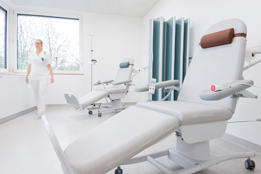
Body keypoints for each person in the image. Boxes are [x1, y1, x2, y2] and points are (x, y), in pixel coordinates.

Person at [25, 39, 54, 118]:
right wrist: (27, 76)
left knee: (41, 93)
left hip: (44, 75)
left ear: (41, 44)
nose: (36, 45)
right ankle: (39, 109)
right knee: (36, 93)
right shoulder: (31, 54)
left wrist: (52, 76)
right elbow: (29, 66)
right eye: (35, 43)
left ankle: (41, 110)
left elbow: (49, 66)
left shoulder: (46, 54)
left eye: (38, 43)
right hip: (34, 75)